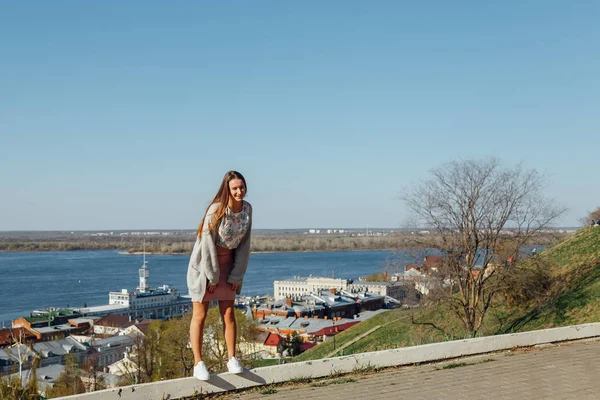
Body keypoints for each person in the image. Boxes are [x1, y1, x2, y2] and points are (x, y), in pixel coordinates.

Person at [187, 170, 252, 381]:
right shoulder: (216, 210)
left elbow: (245, 244)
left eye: (241, 187)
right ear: (227, 189)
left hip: (229, 265)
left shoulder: (247, 209)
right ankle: (198, 363)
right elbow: (206, 245)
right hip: (205, 265)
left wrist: (236, 276)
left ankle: (232, 358)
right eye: (234, 188)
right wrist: (212, 277)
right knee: (200, 315)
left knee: (229, 314)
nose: (239, 191)